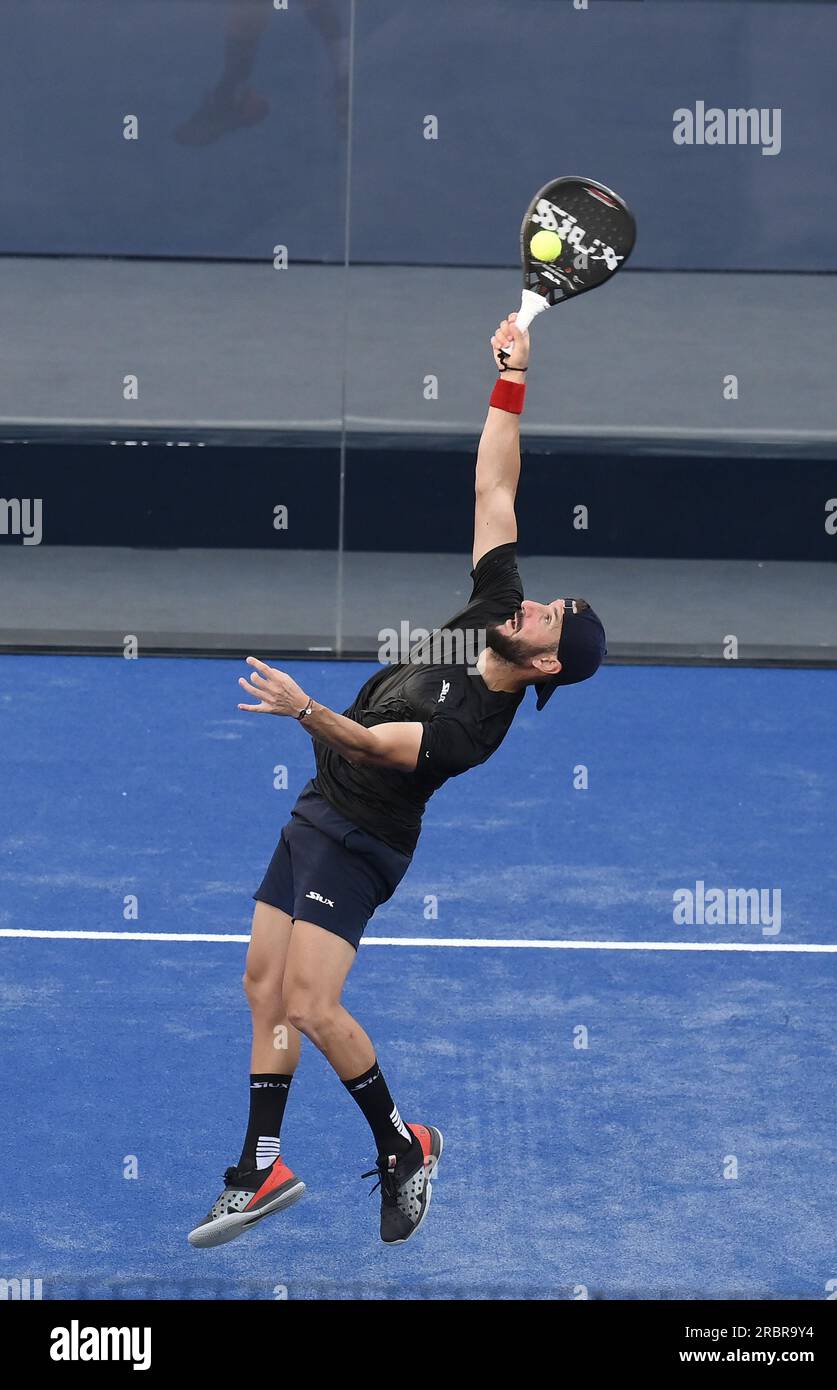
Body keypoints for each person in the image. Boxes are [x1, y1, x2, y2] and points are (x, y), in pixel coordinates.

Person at [188, 313, 606, 1250]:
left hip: (365, 841)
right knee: (262, 985)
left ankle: (405, 1145)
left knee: (311, 1004)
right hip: (318, 808)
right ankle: (260, 1169)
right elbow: (494, 482)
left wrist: (304, 710)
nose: (537, 604)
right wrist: (513, 379)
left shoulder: (471, 730)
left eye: (553, 620)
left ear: (545, 667)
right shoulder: (497, 606)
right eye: (547, 600)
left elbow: (376, 746)